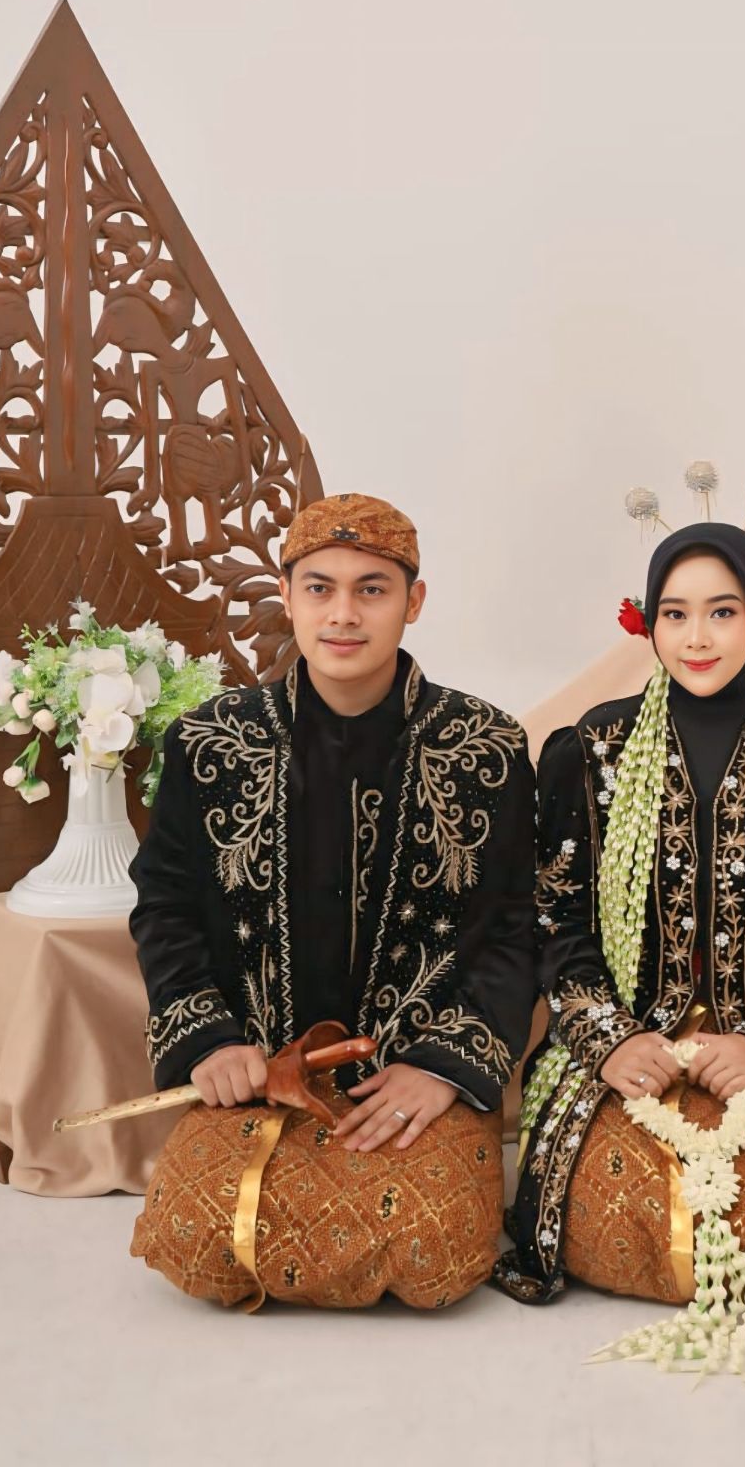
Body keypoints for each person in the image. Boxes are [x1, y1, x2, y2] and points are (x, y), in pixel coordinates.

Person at [129, 492, 536, 1310]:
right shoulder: (212, 743)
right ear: (286, 596)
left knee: (435, 1250)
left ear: (414, 602)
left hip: (411, 1079)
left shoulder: (484, 746)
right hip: (261, 1074)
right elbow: (165, 905)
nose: (343, 614)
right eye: (319, 588)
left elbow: (519, 926)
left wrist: (443, 1068)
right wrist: (209, 1041)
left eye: (371, 590)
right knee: (195, 1237)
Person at [495, 522, 745, 1314]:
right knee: (612, 1216)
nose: (697, 638)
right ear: (648, 621)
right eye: (674, 614)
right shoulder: (595, 749)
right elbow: (553, 915)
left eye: (722, 612)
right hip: (622, 1042)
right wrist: (610, 1041)